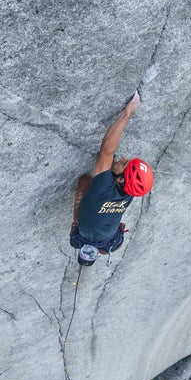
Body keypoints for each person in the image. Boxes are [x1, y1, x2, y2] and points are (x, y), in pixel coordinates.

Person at [70, 91, 154, 258]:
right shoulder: (130, 191)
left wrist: (127, 114)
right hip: (109, 238)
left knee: (85, 180)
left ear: (121, 179)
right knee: (112, 236)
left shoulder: (103, 188)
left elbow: (107, 149)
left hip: (90, 233)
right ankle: (102, 248)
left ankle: (77, 226)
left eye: (124, 163)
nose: (122, 159)